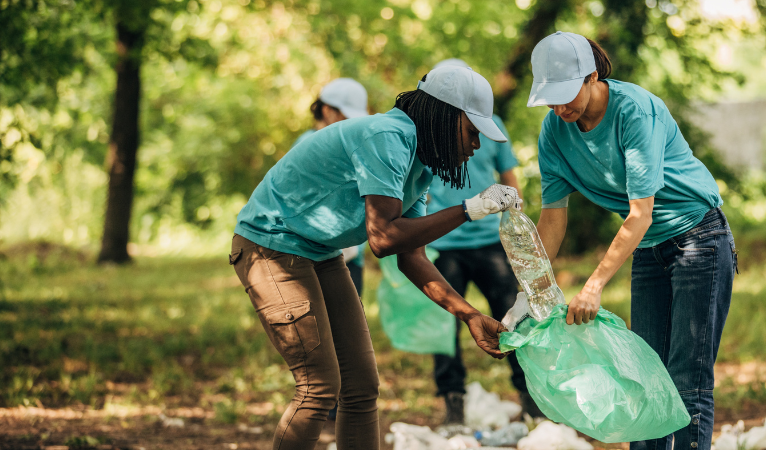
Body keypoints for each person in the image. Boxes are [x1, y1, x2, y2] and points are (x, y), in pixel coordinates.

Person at [230, 65, 520, 450]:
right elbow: (383, 239)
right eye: (472, 132)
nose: (477, 146)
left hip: (319, 251)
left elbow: (410, 255)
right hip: (270, 245)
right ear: (446, 117)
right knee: (319, 387)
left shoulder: (420, 161)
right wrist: (470, 208)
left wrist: (469, 314)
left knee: (361, 385)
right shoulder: (388, 137)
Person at [527, 31, 736, 450]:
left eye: (567, 94)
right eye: (550, 98)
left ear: (590, 77)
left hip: (699, 238)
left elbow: (641, 213)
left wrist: (593, 285)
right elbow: (552, 217)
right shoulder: (554, 132)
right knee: (644, 376)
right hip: (648, 250)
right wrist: (529, 289)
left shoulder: (635, 110)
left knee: (686, 379)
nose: (559, 107)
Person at [417, 59, 541, 424]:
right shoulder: (432, 131)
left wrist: (515, 227)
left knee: (513, 317)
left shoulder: (492, 125)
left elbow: (508, 179)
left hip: (490, 243)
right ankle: (453, 401)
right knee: (445, 326)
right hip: (445, 243)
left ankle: (529, 398)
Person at [294, 78, 372, 297]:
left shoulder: (352, 144)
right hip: (314, 259)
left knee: (354, 328)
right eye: (346, 117)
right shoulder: (306, 145)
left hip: (350, 258)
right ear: (327, 111)